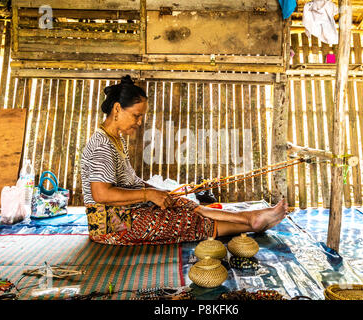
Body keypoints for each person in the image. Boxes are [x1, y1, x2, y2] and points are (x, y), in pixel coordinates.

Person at [80, 75, 288, 246]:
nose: (140, 122)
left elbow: (128, 182)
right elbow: (101, 193)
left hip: (124, 212)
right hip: (111, 225)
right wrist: (148, 194)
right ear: (117, 109)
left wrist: (157, 192)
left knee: (181, 202)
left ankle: (249, 217)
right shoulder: (102, 146)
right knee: (184, 219)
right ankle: (252, 224)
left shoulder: (114, 140)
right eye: (136, 115)